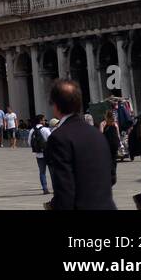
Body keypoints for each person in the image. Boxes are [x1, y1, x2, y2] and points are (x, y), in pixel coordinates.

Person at [43, 80, 116, 210]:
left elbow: (64, 189)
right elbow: (111, 177)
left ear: (55, 105)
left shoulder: (59, 137)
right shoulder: (97, 134)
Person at [29, 113, 52, 194]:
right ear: (41, 121)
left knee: (42, 172)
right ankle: (55, 187)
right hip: (48, 153)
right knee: (52, 171)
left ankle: (45, 188)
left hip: (38, 154)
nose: (45, 121)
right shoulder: (45, 129)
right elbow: (51, 140)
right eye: (43, 119)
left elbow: (29, 143)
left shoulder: (32, 130)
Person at [101, 110, 120, 186]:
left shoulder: (103, 123)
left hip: (107, 145)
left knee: (108, 160)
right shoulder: (115, 124)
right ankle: (113, 174)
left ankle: (110, 175)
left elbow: (101, 134)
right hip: (114, 145)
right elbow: (118, 135)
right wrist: (119, 144)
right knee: (114, 159)